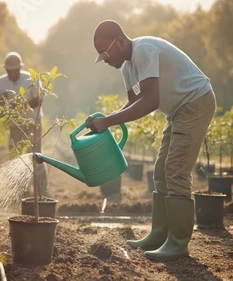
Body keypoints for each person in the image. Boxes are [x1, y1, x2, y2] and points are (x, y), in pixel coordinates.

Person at [88, 20, 216, 260]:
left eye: (105, 53)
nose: (104, 59)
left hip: (195, 101)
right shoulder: (127, 67)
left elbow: (151, 101)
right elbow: (134, 101)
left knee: (175, 170)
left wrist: (108, 122)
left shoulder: (144, 49)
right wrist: (105, 119)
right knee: (160, 171)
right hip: (178, 110)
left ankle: (178, 243)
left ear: (120, 42)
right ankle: (160, 233)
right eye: (100, 56)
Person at [0, 51, 47, 194]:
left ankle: (40, 191)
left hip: (33, 122)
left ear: (19, 69)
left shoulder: (31, 79)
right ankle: (19, 189)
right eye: (9, 71)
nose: (12, 73)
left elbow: (39, 99)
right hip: (14, 124)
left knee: (35, 155)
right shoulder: (0, 82)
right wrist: (2, 100)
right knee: (15, 154)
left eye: (15, 70)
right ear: (6, 70)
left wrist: (22, 105)